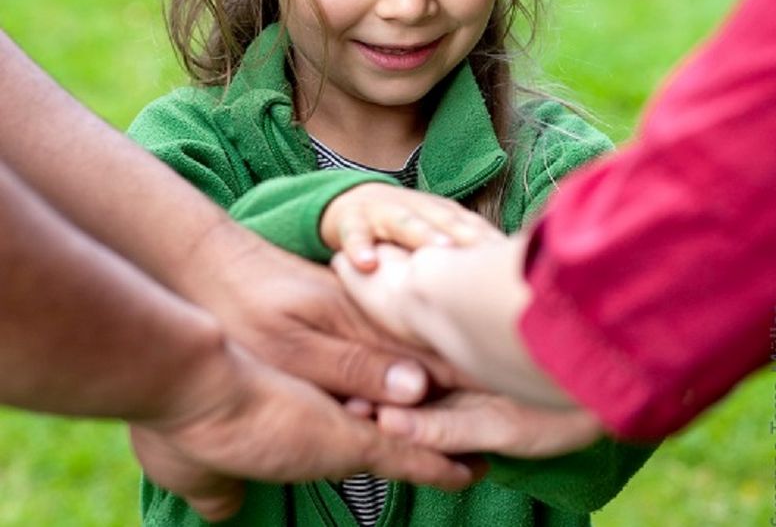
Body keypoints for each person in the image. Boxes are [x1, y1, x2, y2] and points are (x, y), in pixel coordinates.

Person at [128, 0, 655, 527]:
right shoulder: (184, 155)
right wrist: (330, 213)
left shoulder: (563, 178)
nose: (407, 0)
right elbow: (166, 331)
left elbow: (605, 446)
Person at [333, 0, 776, 453]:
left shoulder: (556, 167)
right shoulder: (210, 151)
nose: (409, 2)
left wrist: (407, 282)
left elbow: (633, 295)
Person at [0, 31, 479, 522]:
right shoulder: (189, 143)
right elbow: (143, 277)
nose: (406, 1)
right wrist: (313, 216)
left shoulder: (553, 165)